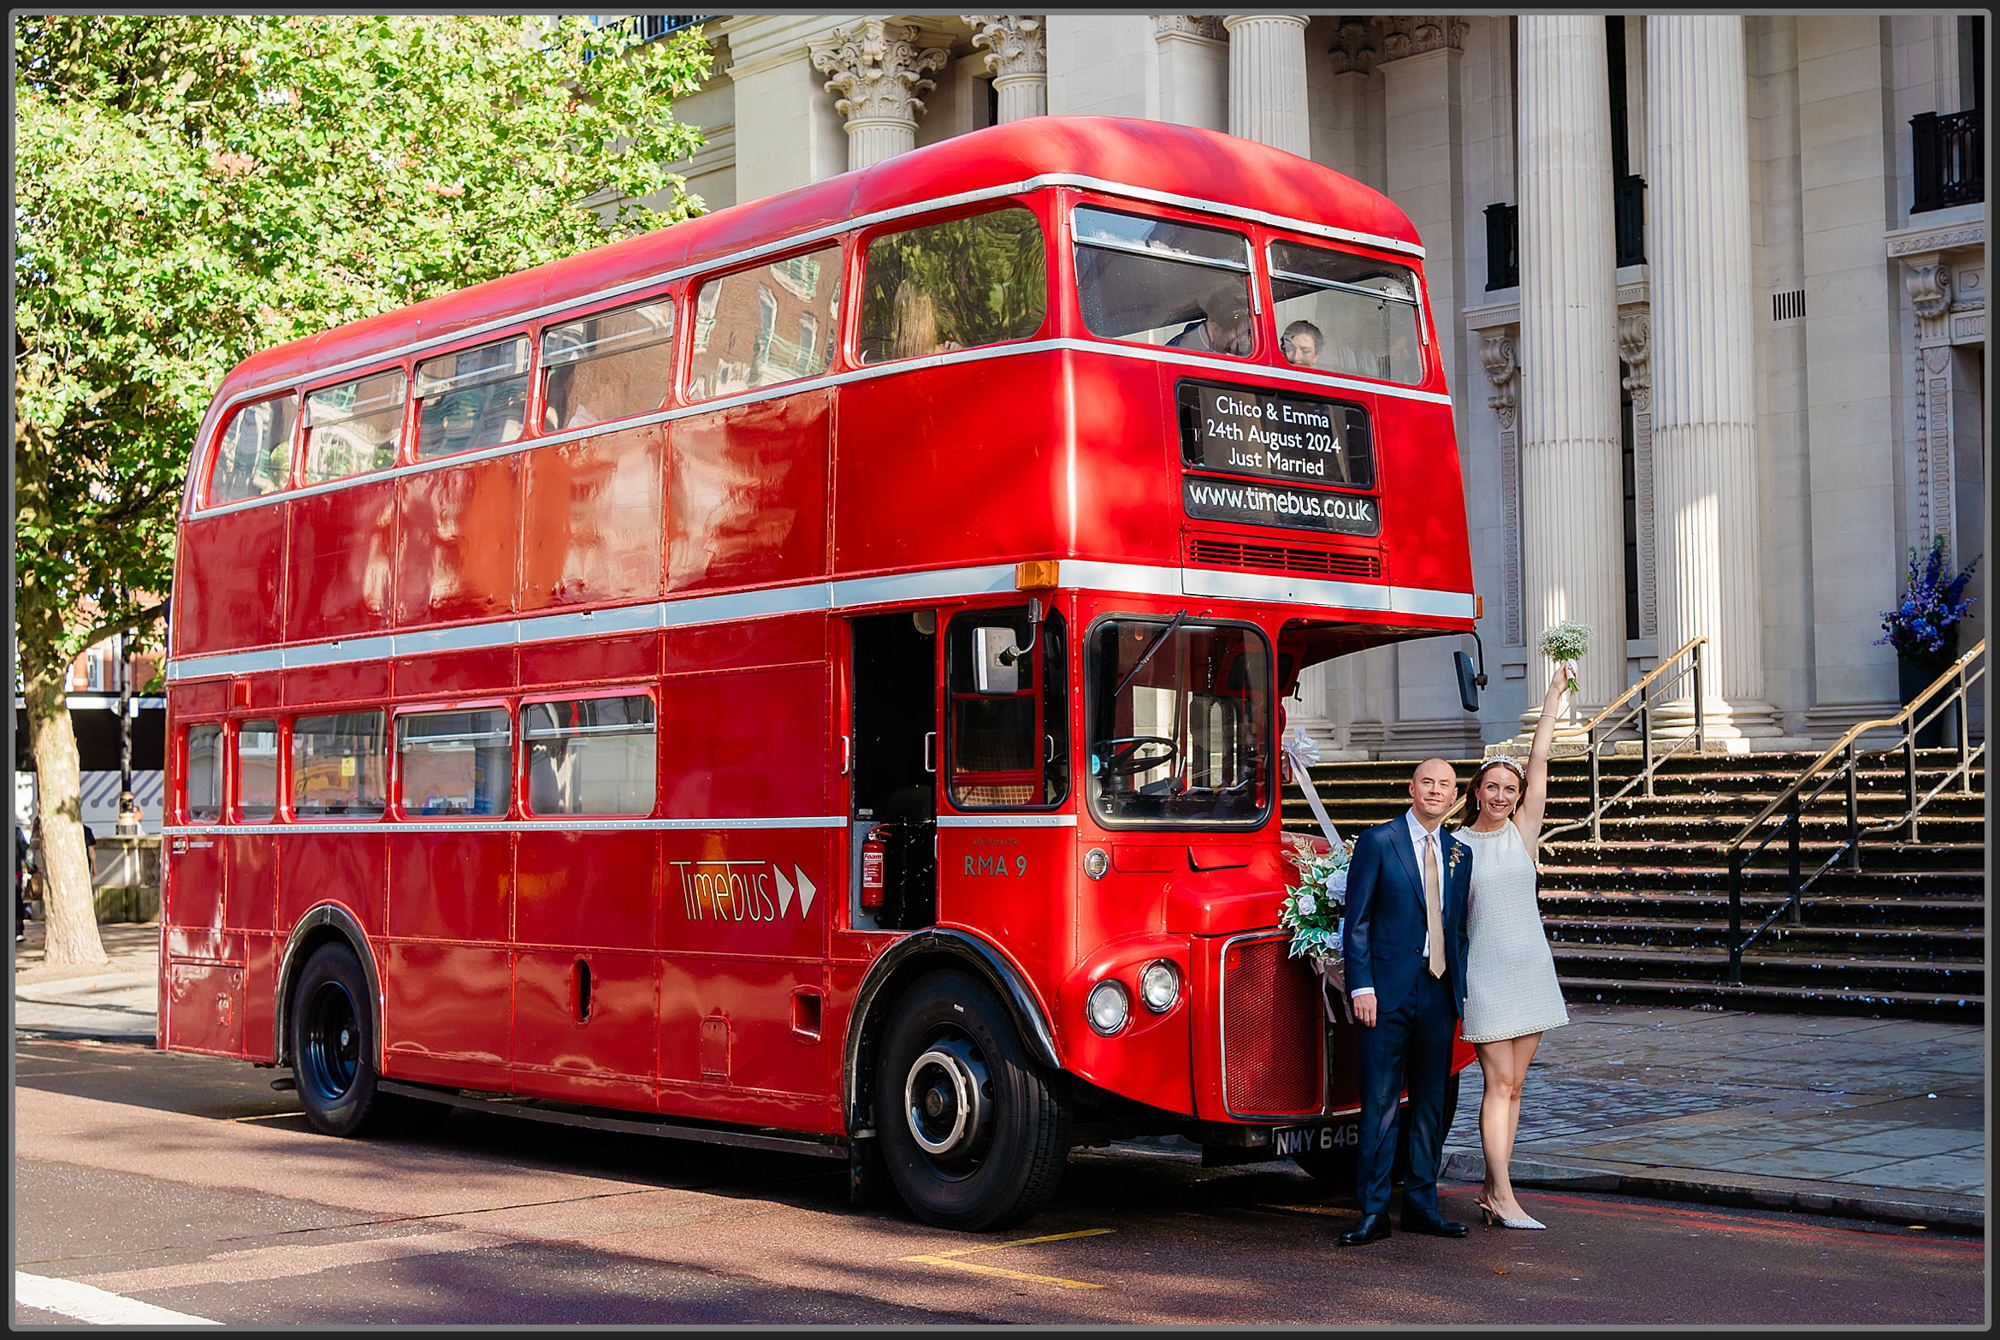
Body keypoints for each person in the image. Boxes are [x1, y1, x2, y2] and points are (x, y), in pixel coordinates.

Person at [1457, 663, 1574, 1230]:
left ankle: (1492, 1185)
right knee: (1497, 1082)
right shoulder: (1452, 846)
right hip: (1484, 973)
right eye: (1493, 787)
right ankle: (1502, 1194)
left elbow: (1541, 761)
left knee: (1516, 1084)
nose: (1502, 795)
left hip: (1530, 967)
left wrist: (1552, 700)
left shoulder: (1523, 832)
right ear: (1476, 790)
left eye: (1511, 789)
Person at [1339, 757, 1474, 1246]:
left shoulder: (1459, 852)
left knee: (1431, 1103)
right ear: (1411, 788)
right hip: (1386, 992)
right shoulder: (1379, 841)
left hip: (1438, 991)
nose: (1436, 791)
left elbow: (1456, 929)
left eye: (1445, 785)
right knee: (1379, 1102)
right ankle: (1374, 1212)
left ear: (1453, 793)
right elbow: (1356, 922)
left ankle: (1421, 1203)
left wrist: (1459, 989)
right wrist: (1362, 987)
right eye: (1428, 782)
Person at [1167, 284, 1253, 355]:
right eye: (1239, 335)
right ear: (1215, 329)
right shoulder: (1179, 353)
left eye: (1248, 333)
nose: (1246, 342)